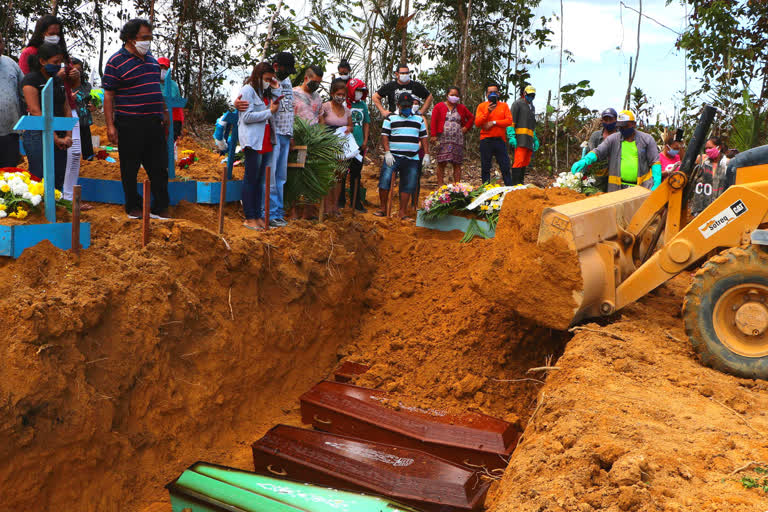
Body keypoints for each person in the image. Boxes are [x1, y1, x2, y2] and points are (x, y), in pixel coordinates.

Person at [103, 18, 171, 219]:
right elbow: (109, 95)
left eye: (150, 37)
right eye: (144, 37)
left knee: (159, 167)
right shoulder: (116, 61)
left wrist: (164, 112)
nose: (148, 41)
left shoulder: (151, 60)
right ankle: (133, 206)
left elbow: (155, 90)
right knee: (130, 167)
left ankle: (160, 206)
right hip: (129, 122)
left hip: (153, 122)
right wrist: (109, 126)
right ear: (131, 38)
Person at [20, 43, 72, 188]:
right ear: (42, 61)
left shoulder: (58, 81)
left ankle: (58, 209)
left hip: (60, 135)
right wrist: (55, 138)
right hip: (38, 136)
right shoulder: (31, 80)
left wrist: (68, 136)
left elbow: (66, 108)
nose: (58, 65)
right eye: (55, 62)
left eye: (60, 62)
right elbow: (36, 111)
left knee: (58, 180)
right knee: (39, 180)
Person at [571, 110, 661, 192]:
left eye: (626, 126)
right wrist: (585, 160)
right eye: (620, 127)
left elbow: (655, 162)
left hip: (641, 187)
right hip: (617, 188)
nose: (623, 129)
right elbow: (598, 151)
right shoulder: (613, 139)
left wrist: (656, 182)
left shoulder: (647, 139)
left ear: (634, 124)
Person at [237, 62, 279, 230]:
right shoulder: (248, 90)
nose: (269, 82)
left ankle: (258, 214)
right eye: (267, 79)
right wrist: (269, 112)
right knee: (251, 179)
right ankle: (249, 216)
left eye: (271, 79)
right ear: (258, 76)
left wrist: (276, 89)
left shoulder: (263, 92)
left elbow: (278, 103)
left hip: (266, 139)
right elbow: (246, 116)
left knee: (261, 180)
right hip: (254, 141)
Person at [376, 92, 429, 220]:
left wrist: (426, 154)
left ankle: (402, 212)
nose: (406, 108)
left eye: (409, 106)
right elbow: (384, 136)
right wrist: (387, 152)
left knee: (408, 184)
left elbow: (424, 137)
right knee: (385, 180)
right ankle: (383, 208)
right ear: (398, 105)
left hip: (412, 158)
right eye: (403, 106)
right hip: (393, 156)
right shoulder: (390, 118)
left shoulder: (419, 119)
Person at [319, 79, 353, 216]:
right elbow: (320, 125)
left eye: (343, 95)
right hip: (328, 145)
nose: (341, 97)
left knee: (339, 177)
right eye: (338, 94)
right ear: (332, 93)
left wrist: (349, 129)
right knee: (328, 176)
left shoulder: (347, 111)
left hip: (342, 146)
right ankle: (326, 207)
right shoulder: (325, 107)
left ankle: (335, 207)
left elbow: (351, 125)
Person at [430, 86, 473, 186]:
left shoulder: (461, 108)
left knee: (457, 163)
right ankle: (440, 186)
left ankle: (457, 186)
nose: (454, 97)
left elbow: (471, 117)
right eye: (452, 95)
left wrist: (466, 128)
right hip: (443, 139)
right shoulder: (439, 106)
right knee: (441, 162)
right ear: (447, 95)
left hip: (457, 140)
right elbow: (433, 121)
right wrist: (433, 135)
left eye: (456, 95)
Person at [475, 83, 513, 185]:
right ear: (486, 94)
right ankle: (485, 190)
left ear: (499, 93)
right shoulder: (482, 106)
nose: (492, 94)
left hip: (500, 140)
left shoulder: (504, 106)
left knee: (505, 166)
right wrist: (487, 111)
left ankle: (509, 188)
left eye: (495, 92)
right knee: (485, 167)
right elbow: (478, 122)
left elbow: (509, 121)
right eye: (490, 92)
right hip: (486, 140)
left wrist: (494, 122)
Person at [343, 78, 370, 211]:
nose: (359, 93)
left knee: (356, 174)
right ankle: (340, 201)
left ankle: (356, 202)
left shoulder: (363, 105)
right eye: (357, 90)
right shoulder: (344, 104)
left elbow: (366, 123)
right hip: (345, 144)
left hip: (359, 144)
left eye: (361, 91)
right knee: (341, 174)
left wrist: (365, 141)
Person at [0, 32, 24, 168]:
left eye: (0, 42)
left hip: (10, 133)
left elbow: (24, 93)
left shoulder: (11, 64)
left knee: (8, 178)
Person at [507, 85, 539, 185]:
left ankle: (520, 183)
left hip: (529, 139)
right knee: (519, 161)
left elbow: (532, 125)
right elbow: (511, 121)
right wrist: (511, 136)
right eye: (529, 95)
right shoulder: (517, 104)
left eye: (533, 95)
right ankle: (515, 184)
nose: (531, 97)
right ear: (524, 94)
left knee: (525, 162)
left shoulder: (532, 107)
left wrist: (535, 138)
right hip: (520, 139)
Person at [691, 136, 728, 218]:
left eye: (710, 148)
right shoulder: (703, 160)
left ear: (719, 147)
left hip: (718, 207)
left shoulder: (726, 164)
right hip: (701, 206)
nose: (708, 150)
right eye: (706, 148)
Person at [586, 108, 618, 191]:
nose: (608, 122)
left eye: (610, 119)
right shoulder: (596, 136)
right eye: (605, 119)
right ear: (602, 121)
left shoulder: (620, 135)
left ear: (616, 120)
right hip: (599, 174)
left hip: (616, 174)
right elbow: (592, 151)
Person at [70, 58, 95, 161]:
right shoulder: (65, 87)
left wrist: (93, 106)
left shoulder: (87, 86)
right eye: (73, 70)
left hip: (84, 122)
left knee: (87, 150)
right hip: (71, 125)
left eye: (78, 70)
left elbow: (92, 101)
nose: (76, 73)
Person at [157, 57, 185, 141]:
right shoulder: (151, 83)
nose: (162, 69)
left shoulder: (173, 86)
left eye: (165, 68)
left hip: (172, 122)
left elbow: (179, 106)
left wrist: (181, 125)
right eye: (160, 67)